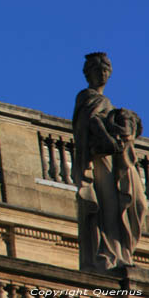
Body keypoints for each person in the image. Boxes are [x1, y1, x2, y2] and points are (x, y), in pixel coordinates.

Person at [72, 52, 147, 272]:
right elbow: (92, 121)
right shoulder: (87, 97)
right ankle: (110, 252)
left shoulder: (106, 102)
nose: (102, 74)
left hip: (112, 161)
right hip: (99, 160)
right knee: (108, 208)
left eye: (105, 70)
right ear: (88, 74)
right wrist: (109, 141)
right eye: (97, 70)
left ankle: (120, 251)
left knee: (138, 205)